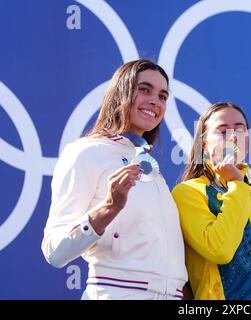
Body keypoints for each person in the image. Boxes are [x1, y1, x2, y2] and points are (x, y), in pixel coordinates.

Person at [41, 59, 187, 300]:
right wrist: (109, 207)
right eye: (144, 89)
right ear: (121, 93)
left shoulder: (151, 168)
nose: (155, 101)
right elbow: (54, 251)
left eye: (162, 96)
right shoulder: (87, 152)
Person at [171, 102, 251, 300]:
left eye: (240, 131)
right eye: (222, 132)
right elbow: (219, 250)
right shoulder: (188, 192)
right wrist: (237, 184)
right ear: (204, 144)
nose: (233, 138)